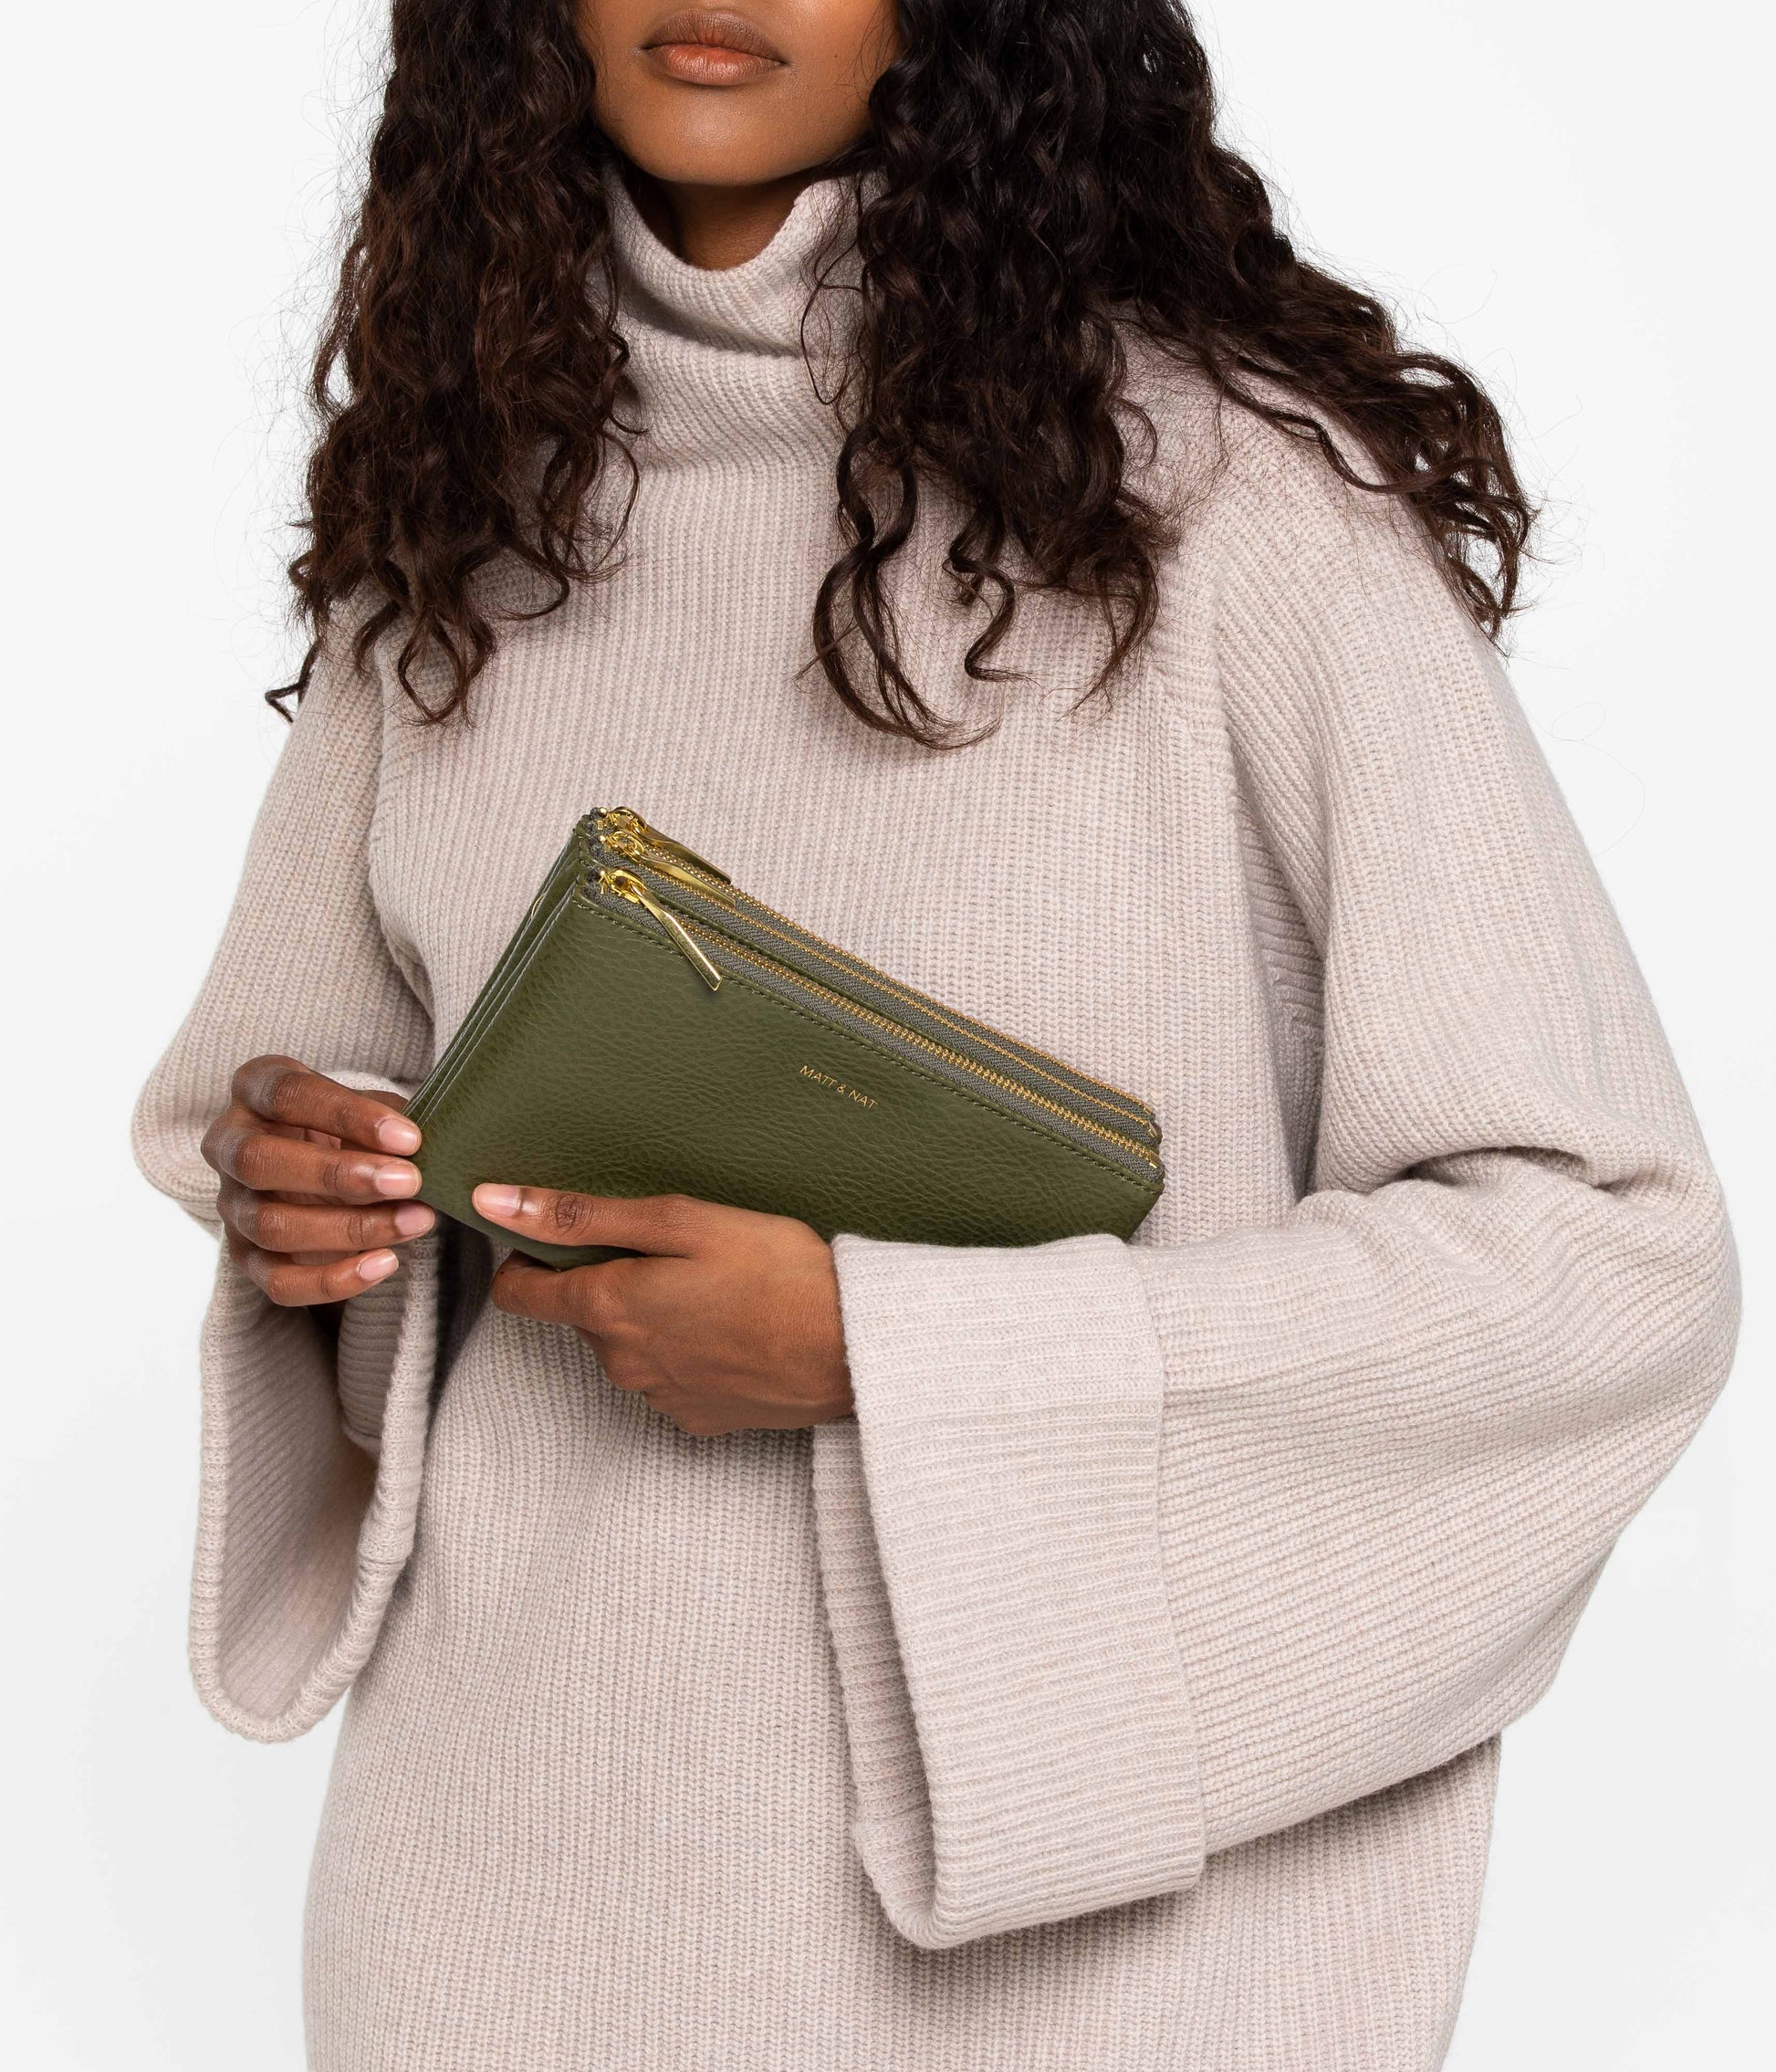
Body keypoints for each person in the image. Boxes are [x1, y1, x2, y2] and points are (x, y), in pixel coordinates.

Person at [132, 4, 1741, 2067]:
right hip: (504, 1903)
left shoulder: (1236, 512)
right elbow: (330, 1162)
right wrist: (327, 1206)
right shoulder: (454, 537)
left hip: (1101, 1977)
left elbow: (1605, 1261)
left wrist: (881, 1351)